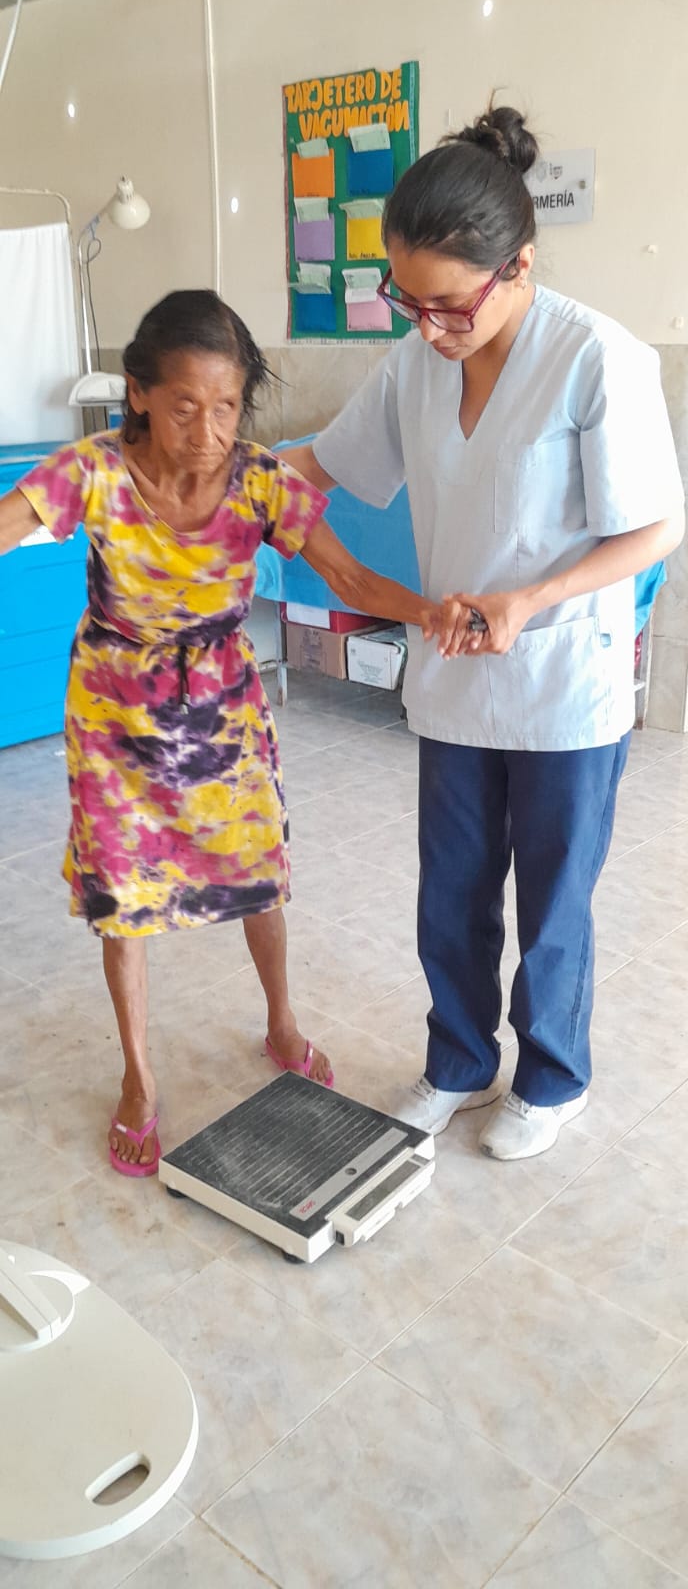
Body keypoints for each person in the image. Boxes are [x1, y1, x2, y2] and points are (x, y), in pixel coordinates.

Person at [287, 102, 685, 1161]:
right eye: (407, 301)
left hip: (563, 681)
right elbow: (322, 464)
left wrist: (532, 599)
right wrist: (199, 474)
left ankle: (553, 1078)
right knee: (454, 891)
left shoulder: (596, 356)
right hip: (456, 679)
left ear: (519, 267)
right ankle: (460, 1063)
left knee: (553, 902)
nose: (430, 327)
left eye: (450, 305)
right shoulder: (416, 361)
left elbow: (658, 527)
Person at [0, 289, 446, 1176]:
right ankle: (138, 1077)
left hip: (222, 708)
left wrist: (432, 614)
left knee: (257, 872)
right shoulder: (91, 470)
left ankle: (281, 1020)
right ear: (138, 393)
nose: (207, 432)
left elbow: (349, 577)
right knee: (121, 894)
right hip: (116, 715)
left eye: (227, 407)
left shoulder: (260, 481)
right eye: (183, 407)